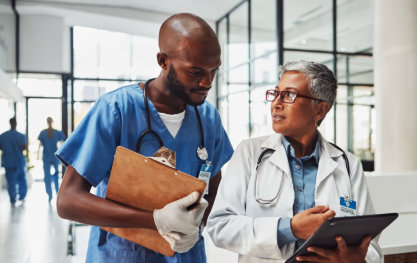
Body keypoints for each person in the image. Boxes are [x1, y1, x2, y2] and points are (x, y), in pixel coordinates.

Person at [55, 13, 233, 263]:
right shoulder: (116, 110)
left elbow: (212, 189)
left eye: (214, 71)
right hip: (123, 255)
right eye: (195, 71)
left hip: (186, 255)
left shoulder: (208, 119)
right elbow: (68, 201)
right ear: (163, 61)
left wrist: (197, 226)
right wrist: (156, 220)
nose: (207, 82)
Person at [207, 61, 382, 263]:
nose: (276, 103)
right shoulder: (249, 153)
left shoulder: (348, 164)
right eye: (275, 93)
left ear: (320, 110)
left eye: (289, 95)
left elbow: (372, 243)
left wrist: (355, 259)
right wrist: (290, 228)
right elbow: (220, 226)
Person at [0, 117, 28, 205]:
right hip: (19, 160)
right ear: (16, 123)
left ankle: (12, 199)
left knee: (11, 181)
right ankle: (22, 196)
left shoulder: (3, 136)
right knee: (21, 179)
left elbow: (0, 148)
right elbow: (24, 148)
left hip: (8, 161)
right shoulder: (21, 135)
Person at [38, 117, 66, 202]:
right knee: (51, 175)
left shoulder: (48, 132)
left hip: (51, 156)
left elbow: (64, 142)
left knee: (51, 175)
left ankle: (53, 194)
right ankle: (53, 194)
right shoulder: (54, 132)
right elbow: (63, 142)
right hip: (50, 155)